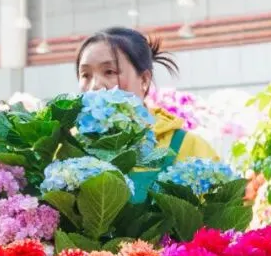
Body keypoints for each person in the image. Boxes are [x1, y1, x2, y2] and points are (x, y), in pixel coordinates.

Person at [75, 26, 218, 161]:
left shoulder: (188, 146)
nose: (95, 86)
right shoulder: (70, 146)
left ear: (144, 79)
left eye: (109, 72)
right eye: (85, 75)